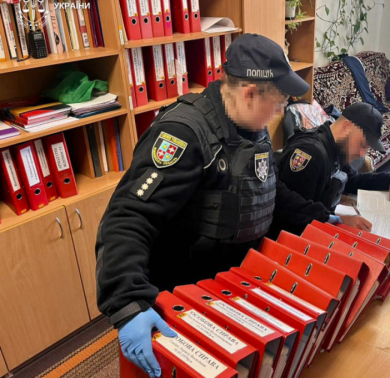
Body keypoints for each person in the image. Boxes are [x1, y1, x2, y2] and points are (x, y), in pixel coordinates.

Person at [95, 34, 337, 378]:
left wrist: (323, 219)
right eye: (280, 102)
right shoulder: (184, 134)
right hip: (184, 295)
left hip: (233, 286)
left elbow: (270, 189)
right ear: (249, 93)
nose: (281, 112)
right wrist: (127, 303)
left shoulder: (250, 126)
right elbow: (128, 217)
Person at [275, 102, 390, 232]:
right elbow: (293, 213)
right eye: (362, 144)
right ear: (346, 126)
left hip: (321, 224)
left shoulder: (335, 148)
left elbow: (352, 180)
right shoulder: (311, 154)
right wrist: (337, 221)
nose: (362, 154)